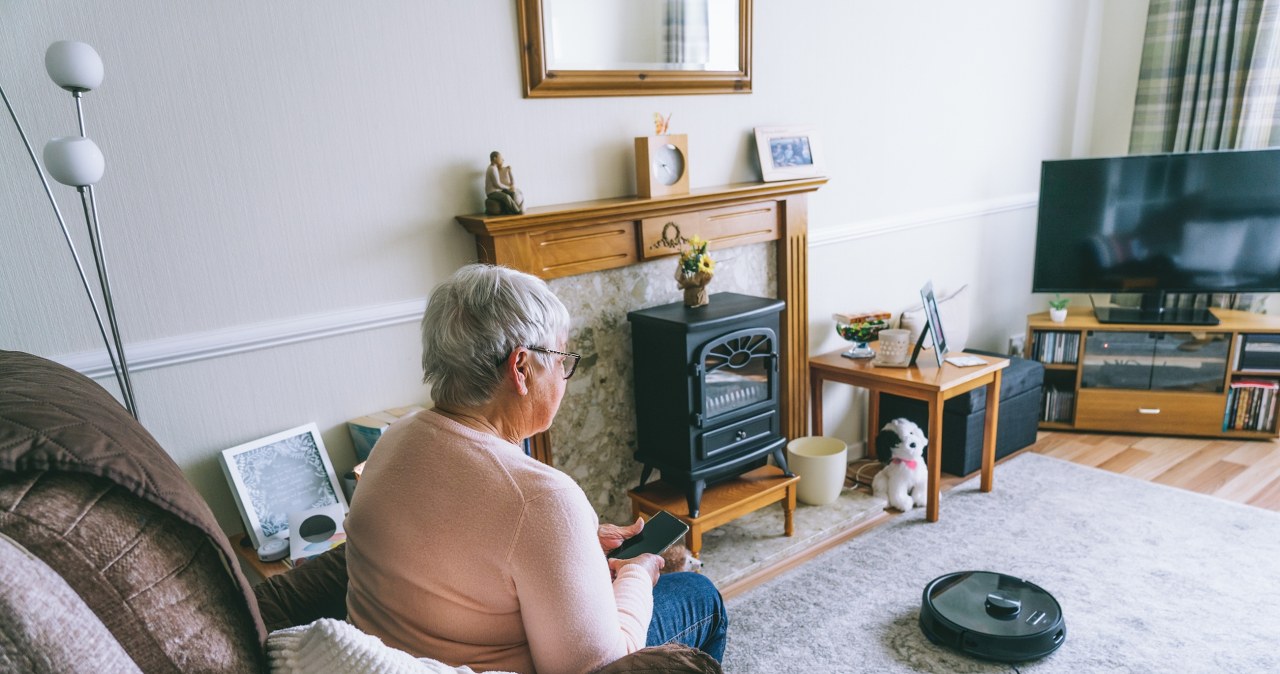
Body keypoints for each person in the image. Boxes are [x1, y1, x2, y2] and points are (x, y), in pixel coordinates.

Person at [345, 263, 727, 674]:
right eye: (562, 359)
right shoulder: (542, 499)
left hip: (387, 660)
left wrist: (577, 545)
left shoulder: (393, 440)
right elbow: (603, 667)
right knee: (699, 593)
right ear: (521, 368)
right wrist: (636, 573)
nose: (565, 375)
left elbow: (465, 550)